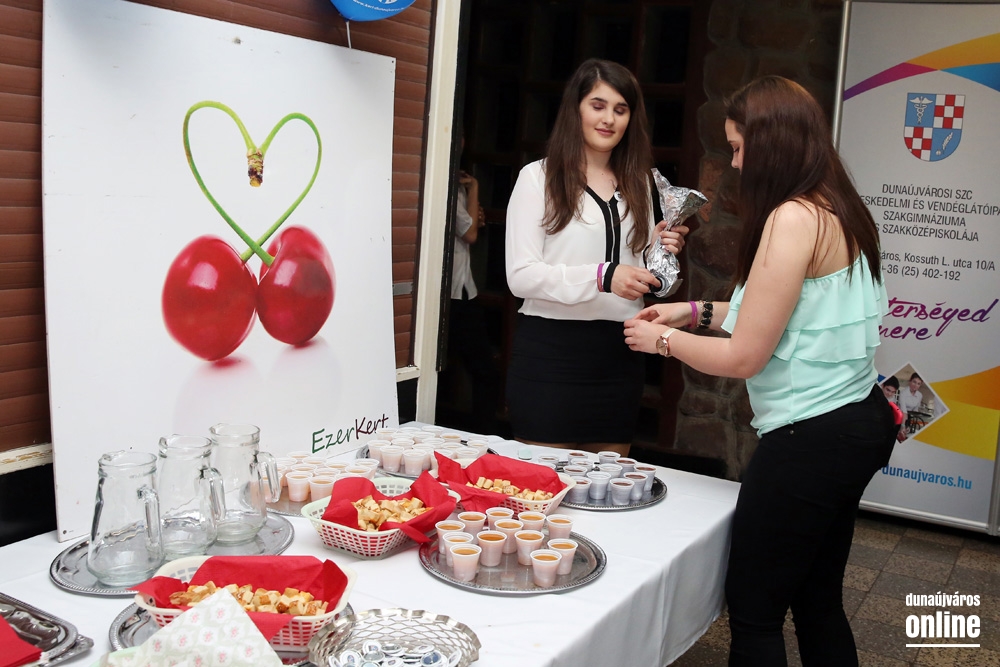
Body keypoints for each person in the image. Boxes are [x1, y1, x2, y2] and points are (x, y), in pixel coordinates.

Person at [623, 76, 897, 665]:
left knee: (755, 611)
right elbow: (782, 317)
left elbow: (746, 355)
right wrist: (692, 311)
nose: (736, 163)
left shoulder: (792, 218)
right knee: (817, 599)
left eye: (739, 147)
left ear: (772, 143)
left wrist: (662, 340)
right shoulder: (841, 206)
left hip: (811, 437)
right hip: (857, 421)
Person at [504, 58, 688, 456]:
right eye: (598, 105)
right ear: (576, 109)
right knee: (547, 484)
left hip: (621, 353)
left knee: (607, 484)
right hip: (552, 354)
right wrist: (603, 275)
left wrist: (661, 254)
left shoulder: (640, 182)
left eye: (621, 110)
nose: (609, 119)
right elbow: (520, 276)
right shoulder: (538, 177)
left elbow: (644, 276)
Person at [445, 160, 501, 434]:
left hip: (463, 288)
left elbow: (473, 223)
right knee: (481, 370)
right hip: (453, 293)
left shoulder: (458, 185)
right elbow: (470, 233)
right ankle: (481, 434)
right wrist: (475, 186)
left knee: (476, 368)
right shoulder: (449, 186)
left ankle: (479, 433)